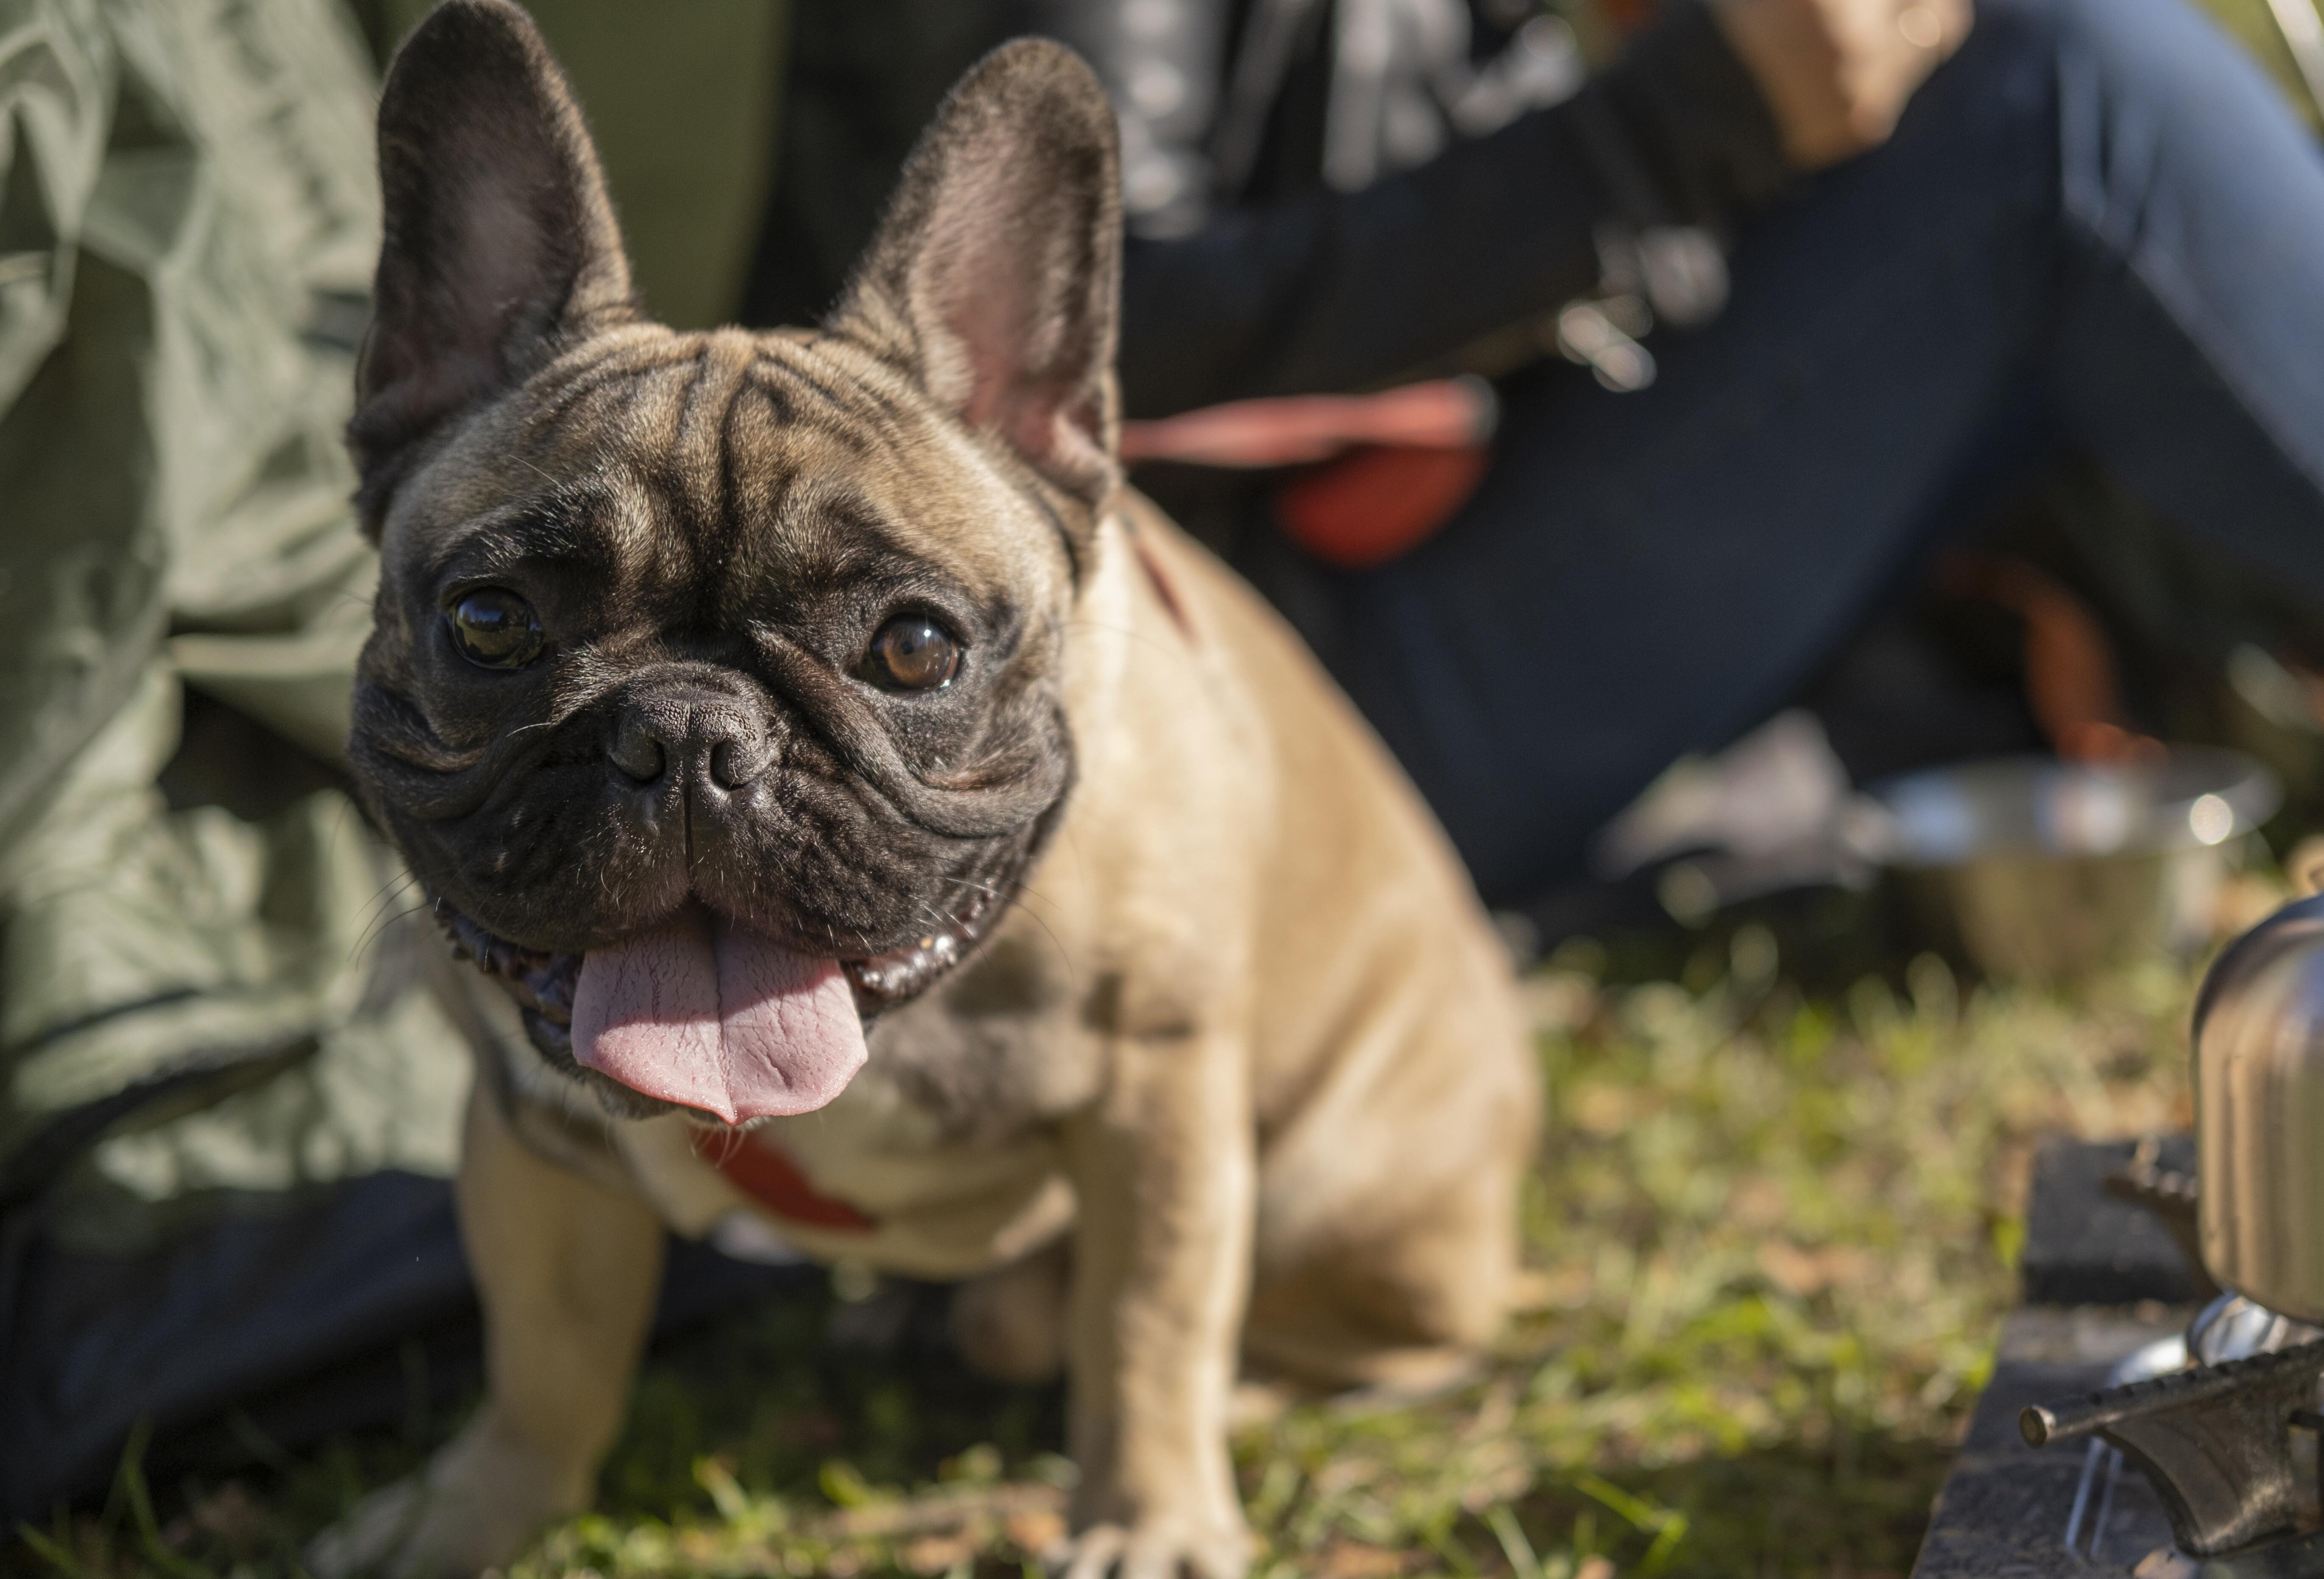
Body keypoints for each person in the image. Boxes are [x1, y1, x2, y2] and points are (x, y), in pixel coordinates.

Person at [747, 0, 2324, 908]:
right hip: (1240, 710)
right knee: (2074, 99)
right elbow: (1063, 324)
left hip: (1438, 550)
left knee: (2027, 75)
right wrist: (1667, 133)